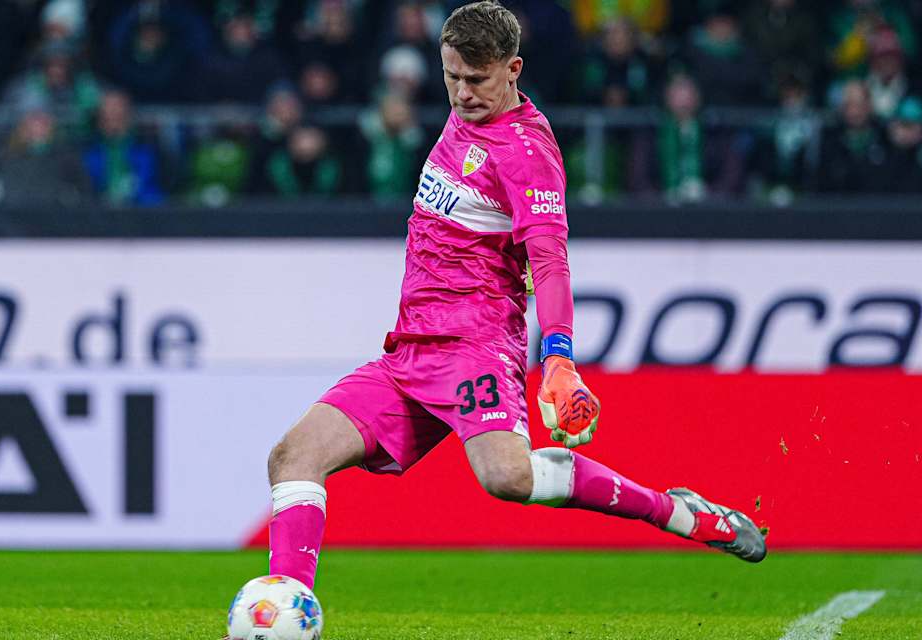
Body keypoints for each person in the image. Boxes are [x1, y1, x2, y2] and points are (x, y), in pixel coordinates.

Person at [245, 2, 765, 620]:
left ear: (513, 69)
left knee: (507, 479)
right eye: (452, 77)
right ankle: (287, 615)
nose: (462, 93)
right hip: (412, 347)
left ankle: (679, 511)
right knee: (293, 457)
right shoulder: (464, 113)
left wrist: (561, 359)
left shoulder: (526, 152)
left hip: (476, 345)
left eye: (477, 80)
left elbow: (550, 261)